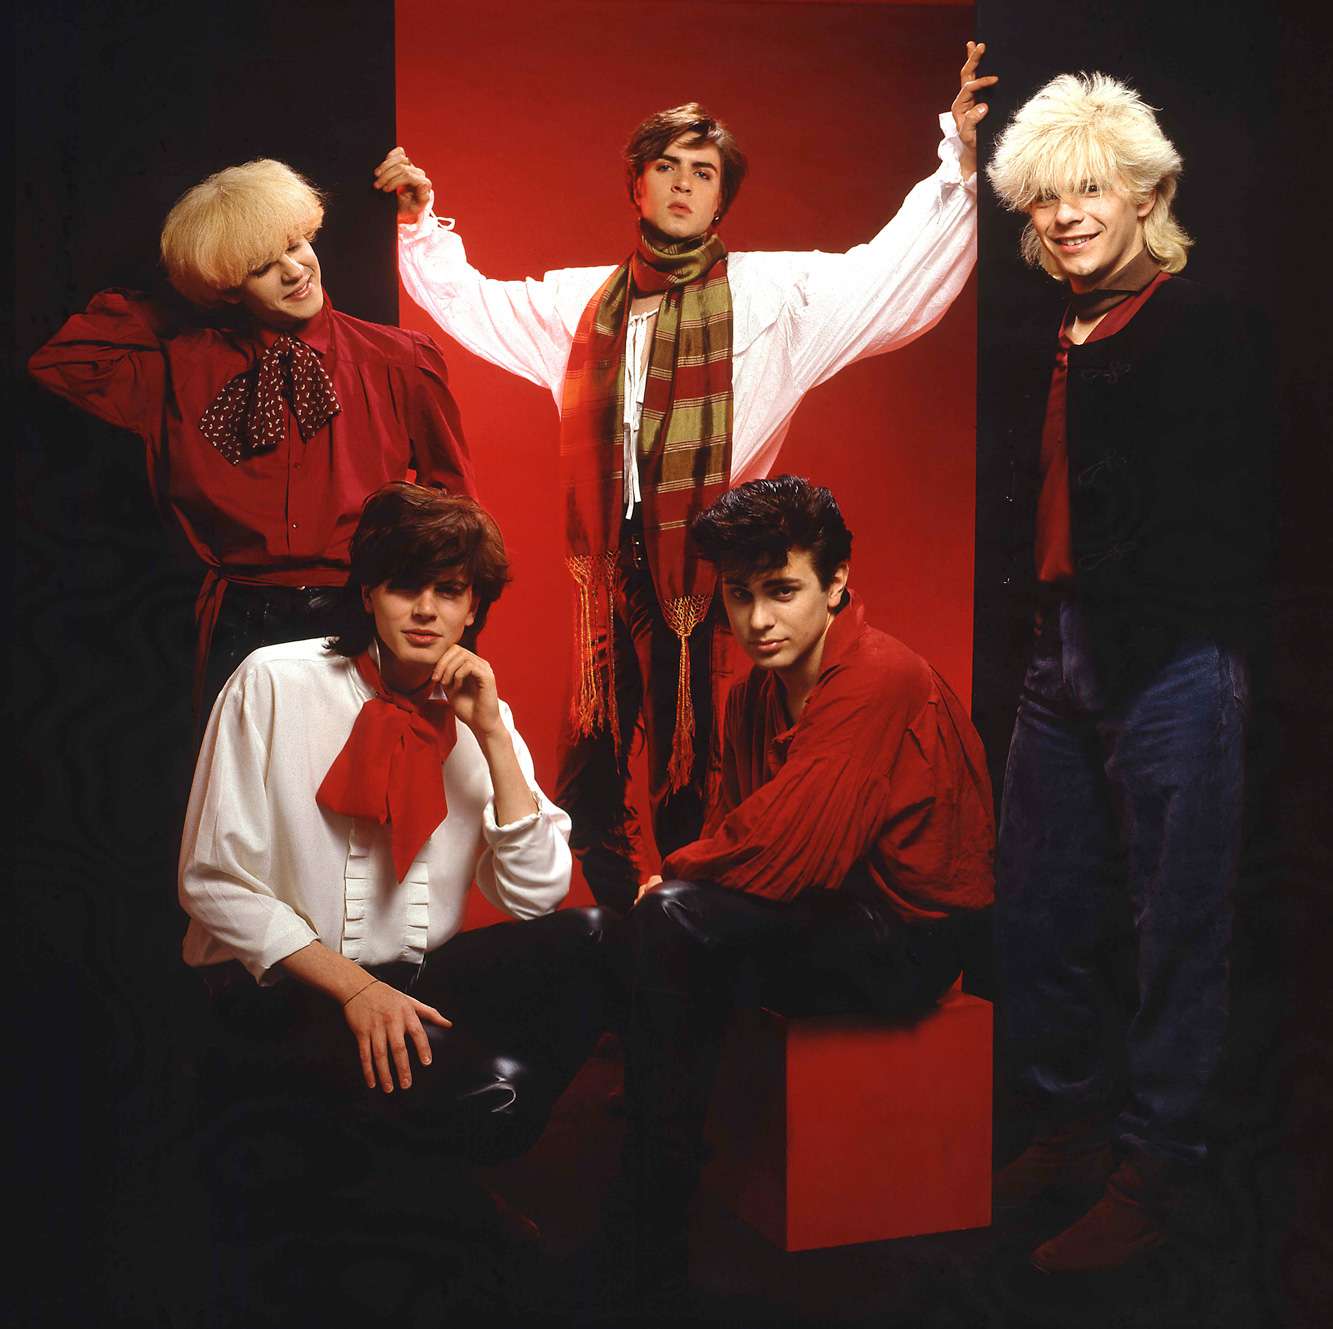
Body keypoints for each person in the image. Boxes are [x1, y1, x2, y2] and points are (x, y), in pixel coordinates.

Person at [372, 42, 997, 913]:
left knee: (696, 779)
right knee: (588, 779)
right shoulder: (581, 303)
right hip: (610, 568)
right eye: (663, 167)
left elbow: (889, 272)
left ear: (720, 194)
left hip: (717, 571)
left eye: (701, 172)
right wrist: (419, 221)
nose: (680, 184)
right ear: (635, 185)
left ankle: (686, 937)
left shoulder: (776, 296)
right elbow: (472, 301)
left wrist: (956, 160)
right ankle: (626, 944)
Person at [984, 74, 1272, 1273]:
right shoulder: (1055, 333)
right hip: (1058, 654)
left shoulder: (1200, 325)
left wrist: (1159, 612)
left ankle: (1159, 1166)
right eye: (1048, 197)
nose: (1066, 215)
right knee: (1042, 905)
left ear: (1149, 197)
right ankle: (1069, 1126)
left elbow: (1245, 510)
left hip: (1170, 657)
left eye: (1090, 189)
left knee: (1176, 922)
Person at [179, 482, 611, 1248]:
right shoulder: (273, 681)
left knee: (597, 935)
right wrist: (354, 989)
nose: (426, 610)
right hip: (282, 994)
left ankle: (414, 1149)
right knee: (490, 1096)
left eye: (448, 591)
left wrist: (491, 735)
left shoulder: (480, 708)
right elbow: (213, 881)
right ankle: (424, 1177)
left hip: (413, 981)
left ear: (472, 607)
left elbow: (535, 892)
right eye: (405, 585)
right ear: (370, 590)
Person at [614, 475, 995, 1301]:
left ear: (836, 581)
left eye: (782, 592)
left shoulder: (877, 675)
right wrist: (682, 884)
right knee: (651, 942)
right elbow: (731, 825)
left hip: (905, 938)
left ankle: (649, 1225)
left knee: (666, 929)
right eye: (739, 595)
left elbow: (793, 851)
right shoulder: (751, 693)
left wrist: (673, 880)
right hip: (819, 917)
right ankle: (656, 1201)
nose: (756, 620)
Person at [29, 159, 475, 717]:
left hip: (359, 615)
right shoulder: (185, 366)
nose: (294, 271)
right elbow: (65, 361)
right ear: (227, 286)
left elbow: (456, 509)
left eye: (295, 245)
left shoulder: (399, 358)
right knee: (242, 799)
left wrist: (445, 638)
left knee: (354, 794)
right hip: (236, 623)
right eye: (261, 266)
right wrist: (199, 288)